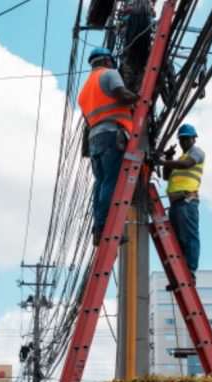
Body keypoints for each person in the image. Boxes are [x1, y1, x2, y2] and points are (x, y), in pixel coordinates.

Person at [78, 47, 139, 246]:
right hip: (111, 135)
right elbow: (121, 94)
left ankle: (99, 228)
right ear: (107, 60)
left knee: (101, 183)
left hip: (94, 139)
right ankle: (105, 227)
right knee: (111, 183)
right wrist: (138, 99)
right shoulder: (109, 74)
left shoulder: (85, 89)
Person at [158, 123, 204, 281]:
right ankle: (179, 274)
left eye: (186, 139)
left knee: (189, 238)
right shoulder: (178, 160)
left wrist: (163, 162)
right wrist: (169, 157)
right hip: (176, 204)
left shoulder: (197, 153)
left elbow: (186, 164)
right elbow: (165, 176)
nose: (183, 142)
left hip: (187, 201)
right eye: (181, 139)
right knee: (177, 241)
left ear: (194, 139)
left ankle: (190, 272)